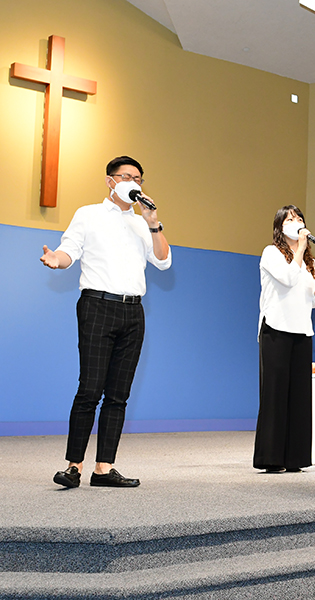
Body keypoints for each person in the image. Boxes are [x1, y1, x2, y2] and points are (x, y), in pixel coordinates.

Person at [42, 156, 172, 489]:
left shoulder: (142, 223)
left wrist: (153, 222)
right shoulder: (88, 214)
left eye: (138, 179)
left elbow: (163, 261)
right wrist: (56, 260)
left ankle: (104, 468)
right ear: (110, 180)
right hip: (97, 306)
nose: (133, 183)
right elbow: (69, 250)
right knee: (90, 389)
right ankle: (73, 466)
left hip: (133, 312)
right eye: (126, 176)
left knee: (118, 394)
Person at [255, 206, 315, 473]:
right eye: (290, 219)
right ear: (280, 226)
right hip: (276, 328)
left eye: (299, 218)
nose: (296, 222)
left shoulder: (309, 262)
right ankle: (271, 458)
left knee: (299, 396)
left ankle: (295, 458)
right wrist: (300, 249)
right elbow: (287, 278)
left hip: (301, 331)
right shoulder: (271, 253)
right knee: (275, 393)